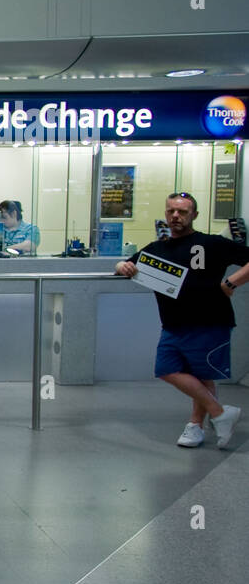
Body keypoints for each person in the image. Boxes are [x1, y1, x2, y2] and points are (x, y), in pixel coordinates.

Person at [115, 192, 249, 449]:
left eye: (183, 212)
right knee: (167, 369)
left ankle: (197, 425)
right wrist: (122, 265)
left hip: (210, 321)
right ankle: (220, 413)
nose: (176, 216)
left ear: (194, 215)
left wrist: (233, 282)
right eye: (171, 211)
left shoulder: (212, 243)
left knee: (202, 375)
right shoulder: (158, 248)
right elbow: (128, 264)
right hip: (173, 325)